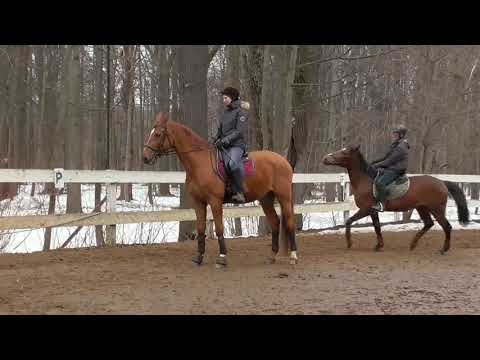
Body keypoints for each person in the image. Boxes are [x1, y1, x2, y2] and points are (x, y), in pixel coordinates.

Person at [213, 86, 248, 203]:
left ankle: (240, 192)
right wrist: (216, 139)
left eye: (225, 98)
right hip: (224, 145)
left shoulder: (241, 112)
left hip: (237, 145)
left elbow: (239, 131)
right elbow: (220, 130)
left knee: (232, 164)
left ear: (232, 98)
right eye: (223, 98)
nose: (224, 100)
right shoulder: (225, 113)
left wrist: (226, 140)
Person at [370, 124, 410, 212]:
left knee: (379, 183)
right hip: (392, 167)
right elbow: (385, 157)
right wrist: (374, 162)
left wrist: (376, 165)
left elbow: (389, 161)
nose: (394, 136)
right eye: (394, 134)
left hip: (397, 170)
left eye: (396, 134)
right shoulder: (395, 145)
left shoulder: (401, 147)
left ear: (401, 135)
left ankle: (382, 205)